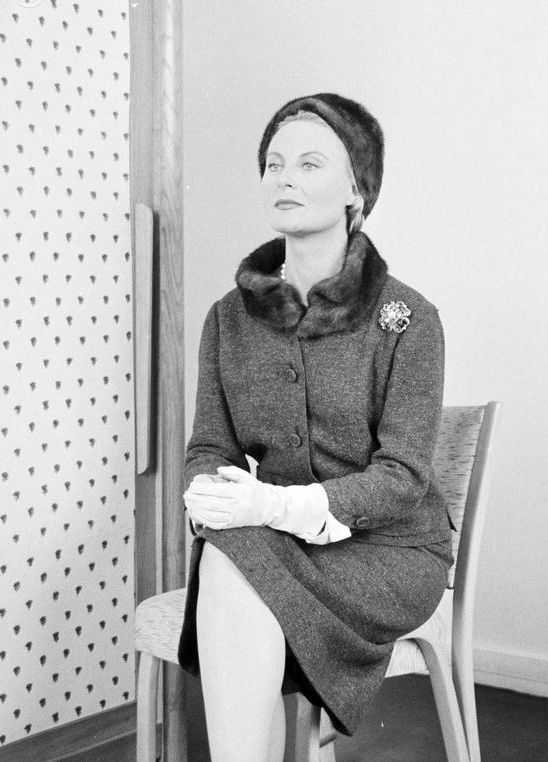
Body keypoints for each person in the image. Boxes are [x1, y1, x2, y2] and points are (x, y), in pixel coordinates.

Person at [176, 93, 452, 761]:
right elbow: (211, 446)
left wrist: (274, 504)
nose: (285, 177)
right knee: (229, 551)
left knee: (233, 560)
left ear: (356, 188)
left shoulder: (409, 319)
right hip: (277, 545)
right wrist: (209, 491)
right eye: (273, 164)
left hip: (389, 555)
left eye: (308, 163)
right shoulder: (227, 320)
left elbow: (404, 476)